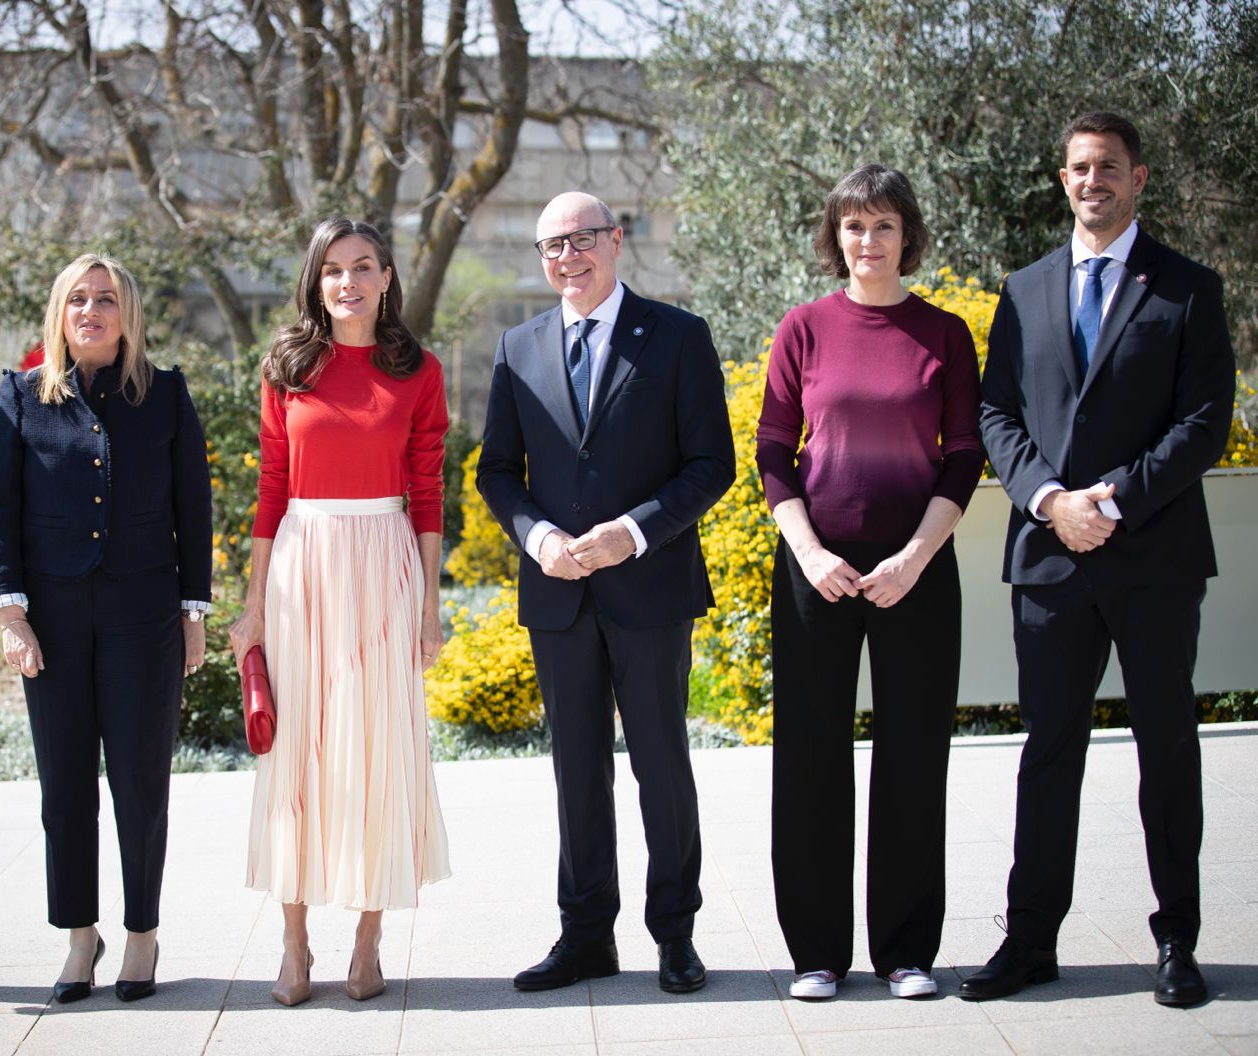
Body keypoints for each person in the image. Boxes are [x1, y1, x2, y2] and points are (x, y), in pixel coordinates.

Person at [966, 112, 1234, 1008]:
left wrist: (1110, 500)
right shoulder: (1025, 288)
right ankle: (1031, 940)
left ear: (1139, 178)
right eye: (1079, 168)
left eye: (1108, 168)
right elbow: (997, 414)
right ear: (1062, 178)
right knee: (1049, 751)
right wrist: (1050, 501)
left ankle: (1178, 941)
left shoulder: (1189, 289)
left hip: (1153, 557)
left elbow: (1203, 422)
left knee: (1167, 749)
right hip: (1049, 559)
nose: (1093, 181)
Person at [476, 191, 734, 995]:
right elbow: (496, 472)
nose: (566, 257)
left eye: (581, 239)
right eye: (551, 245)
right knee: (575, 769)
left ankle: (675, 935)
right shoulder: (518, 347)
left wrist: (634, 530)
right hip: (558, 595)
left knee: (661, 764)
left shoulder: (679, 337)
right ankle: (586, 935)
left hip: (651, 586)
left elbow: (710, 464)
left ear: (616, 242)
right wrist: (539, 537)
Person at [756, 165, 984, 1001]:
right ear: (836, 237)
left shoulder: (946, 335)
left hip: (917, 567)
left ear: (907, 235)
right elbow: (775, 449)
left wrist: (915, 556)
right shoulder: (805, 328)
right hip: (817, 568)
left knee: (915, 756)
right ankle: (817, 953)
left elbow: (963, 455)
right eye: (854, 226)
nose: (869, 241)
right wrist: (810, 553)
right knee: (811, 757)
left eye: (884, 225)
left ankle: (906, 952)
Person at [0, 253, 213, 1004]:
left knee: (141, 783)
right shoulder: (22, 397)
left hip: (143, 617)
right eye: (77, 298)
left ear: (126, 313)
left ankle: (140, 933)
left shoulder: (166, 396)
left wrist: (193, 614)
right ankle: (81, 936)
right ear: (60, 312)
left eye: (105, 298)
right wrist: (11, 615)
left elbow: (194, 513)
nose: (91, 310)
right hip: (52, 620)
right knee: (65, 788)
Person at [232, 217, 451, 1007]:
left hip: (385, 558)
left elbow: (428, 492)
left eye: (363, 267)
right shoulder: (286, 366)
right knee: (296, 754)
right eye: (332, 270)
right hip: (302, 565)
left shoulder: (419, 371)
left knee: (380, 750)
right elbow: (269, 489)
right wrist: (252, 608)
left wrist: (429, 606)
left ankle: (368, 940)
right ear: (316, 281)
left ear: (387, 277)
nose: (348, 282)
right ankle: (293, 948)